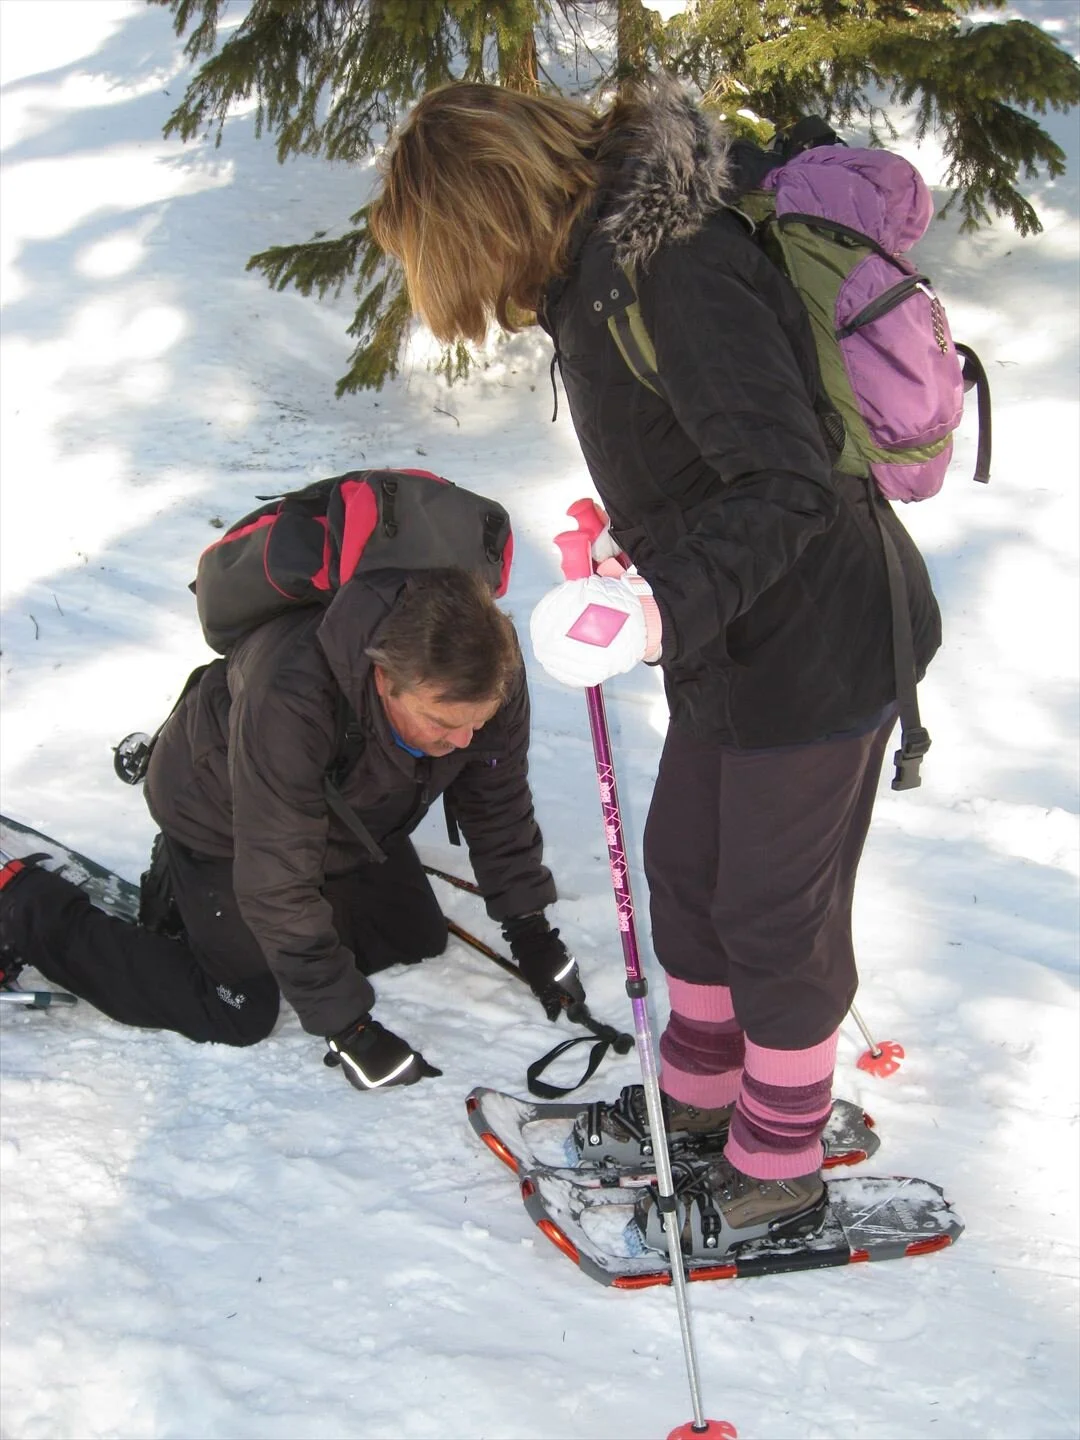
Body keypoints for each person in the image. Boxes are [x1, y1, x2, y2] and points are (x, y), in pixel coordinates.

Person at [368, 79, 941, 1240]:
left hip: (817, 638)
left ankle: (778, 1153)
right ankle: (698, 1102)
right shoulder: (598, 269)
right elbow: (700, 453)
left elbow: (784, 480)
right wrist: (627, 547)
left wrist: (659, 608)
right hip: (735, 633)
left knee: (773, 914)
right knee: (686, 875)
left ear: (485, 213)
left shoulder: (668, 262)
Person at [0, 567, 584, 1090]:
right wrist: (349, 1029)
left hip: (345, 814)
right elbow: (277, 879)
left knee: (411, 938)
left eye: (476, 724)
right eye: (443, 723)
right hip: (219, 815)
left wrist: (528, 927)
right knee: (238, 1008)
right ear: (384, 679)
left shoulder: (488, 667)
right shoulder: (293, 695)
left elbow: (497, 802)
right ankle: (24, 900)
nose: (463, 741)